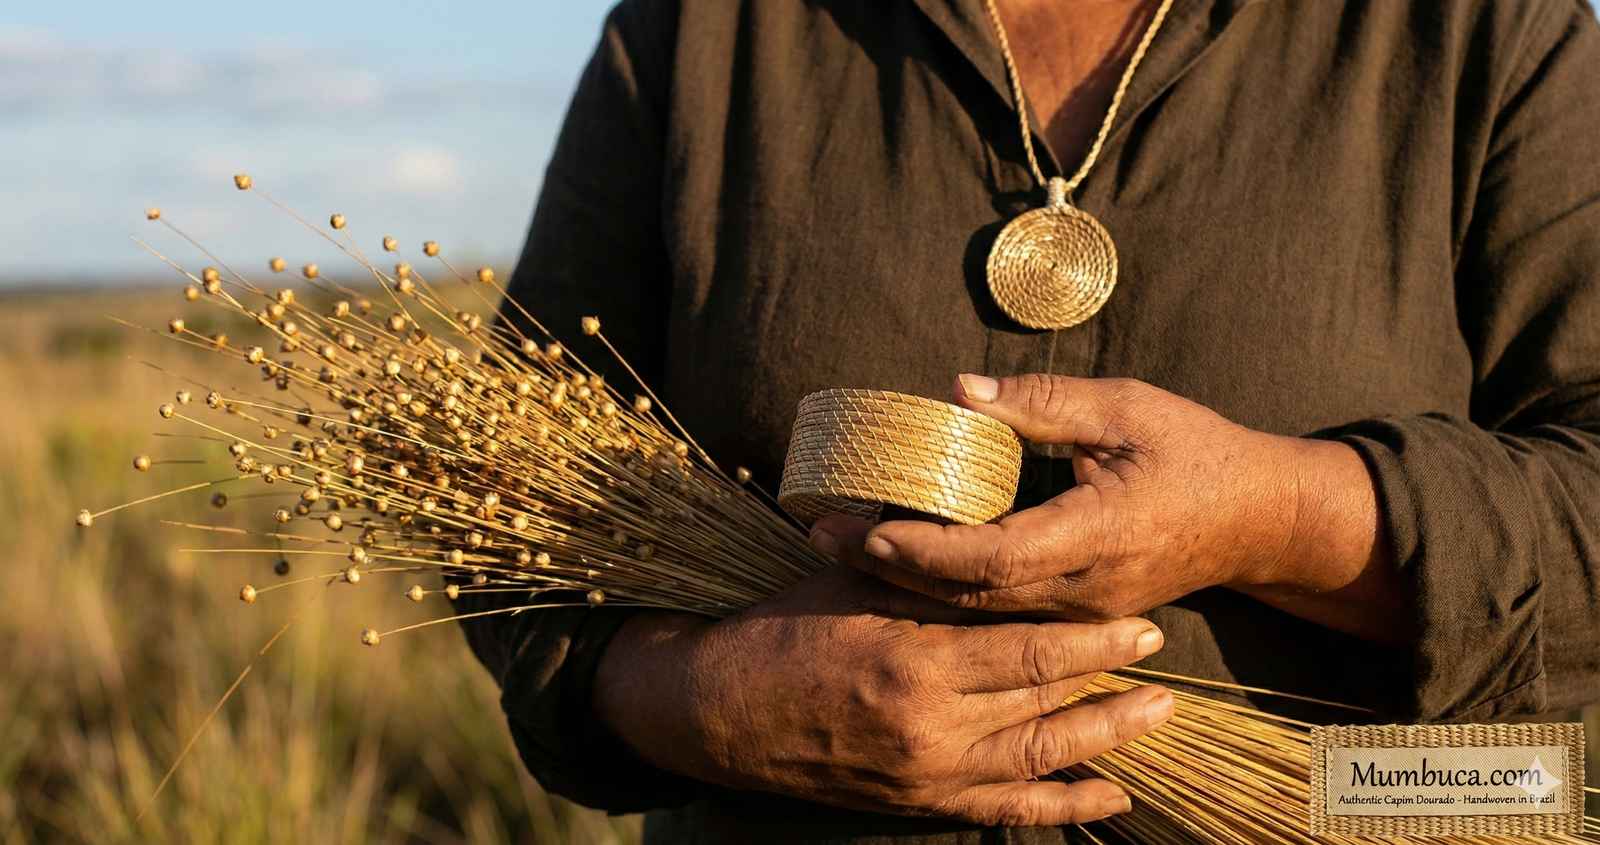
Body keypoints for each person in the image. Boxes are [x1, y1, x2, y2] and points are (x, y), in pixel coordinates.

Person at [458, 0, 1600, 842]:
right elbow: (503, 485)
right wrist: (687, 701)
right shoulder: (700, 31)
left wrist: (1270, 518)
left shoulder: (1491, 33)